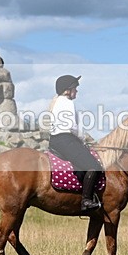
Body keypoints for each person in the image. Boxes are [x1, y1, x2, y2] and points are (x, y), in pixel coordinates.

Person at [48, 75, 102, 212]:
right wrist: (85, 139)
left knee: (81, 164)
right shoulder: (67, 102)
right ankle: (86, 201)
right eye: (75, 89)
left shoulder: (56, 102)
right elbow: (72, 126)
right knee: (94, 166)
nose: (76, 91)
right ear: (67, 90)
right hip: (66, 139)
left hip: (56, 140)